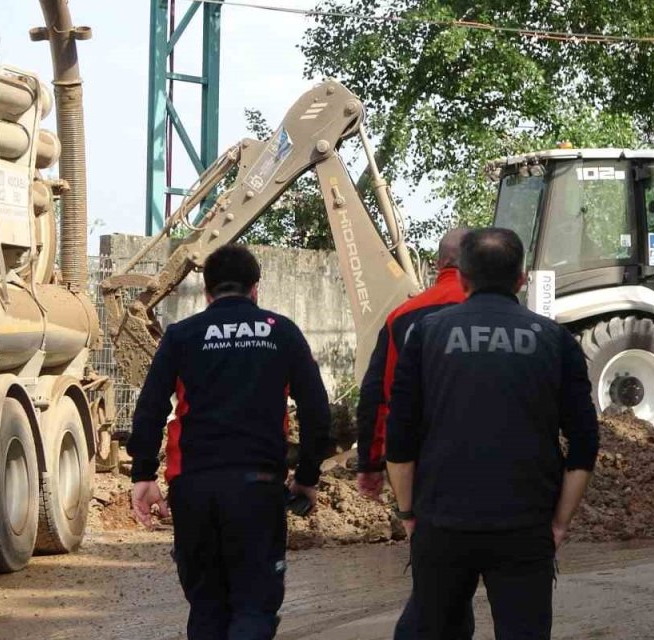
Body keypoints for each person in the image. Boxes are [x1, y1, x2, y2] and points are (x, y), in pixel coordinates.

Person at [385, 227, 600, 639]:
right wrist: (558, 523)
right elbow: (585, 442)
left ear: (462, 277)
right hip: (525, 527)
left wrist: (409, 513)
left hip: (442, 523)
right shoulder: (556, 340)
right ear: (521, 279)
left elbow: (400, 438)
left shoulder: (425, 333)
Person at [128, 244, 331, 640]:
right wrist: (306, 477)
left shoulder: (182, 335)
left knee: (207, 608)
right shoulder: (281, 332)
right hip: (258, 488)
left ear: (207, 291)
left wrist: (143, 475)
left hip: (193, 488)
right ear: (256, 289)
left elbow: (150, 407)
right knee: (254, 606)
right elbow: (316, 411)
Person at [354, 227, 471, 638]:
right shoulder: (516, 321)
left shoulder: (402, 317)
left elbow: (375, 395)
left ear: (439, 263)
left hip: (425, 473)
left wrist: (369, 463)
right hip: (502, 477)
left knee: (437, 583)